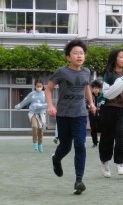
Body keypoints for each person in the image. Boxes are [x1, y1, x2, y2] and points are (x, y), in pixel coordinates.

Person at [46, 39, 96, 195]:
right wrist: (50, 106)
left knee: (80, 145)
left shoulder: (86, 71)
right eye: (75, 53)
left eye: (81, 53)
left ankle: (78, 181)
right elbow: (48, 89)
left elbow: (86, 87)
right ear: (68, 57)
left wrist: (91, 103)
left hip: (80, 114)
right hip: (64, 115)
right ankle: (56, 159)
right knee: (66, 146)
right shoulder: (61, 72)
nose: (79, 56)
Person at [98, 49, 123, 178]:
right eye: (121, 57)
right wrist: (120, 82)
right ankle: (104, 161)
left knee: (121, 135)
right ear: (115, 59)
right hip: (108, 109)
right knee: (107, 137)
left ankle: (120, 163)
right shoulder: (108, 74)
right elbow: (107, 93)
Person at [15, 79, 48, 152]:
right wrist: (18, 106)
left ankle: (40, 144)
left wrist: (39, 106)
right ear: (35, 86)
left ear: (42, 86)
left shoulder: (45, 94)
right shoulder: (32, 94)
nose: (39, 87)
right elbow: (25, 101)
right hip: (33, 113)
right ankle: (35, 143)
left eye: (40, 86)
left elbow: (48, 104)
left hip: (41, 114)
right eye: (37, 86)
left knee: (40, 130)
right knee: (35, 127)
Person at [88, 80, 102, 148]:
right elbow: (86, 104)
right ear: (92, 89)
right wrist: (88, 106)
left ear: (99, 89)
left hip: (101, 116)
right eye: (94, 88)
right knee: (93, 129)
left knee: (102, 129)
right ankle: (95, 142)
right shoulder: (90, 96)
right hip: (92, 115)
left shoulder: (102, 96)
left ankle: (102, 142)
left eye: (97, 88)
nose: (96, 89)